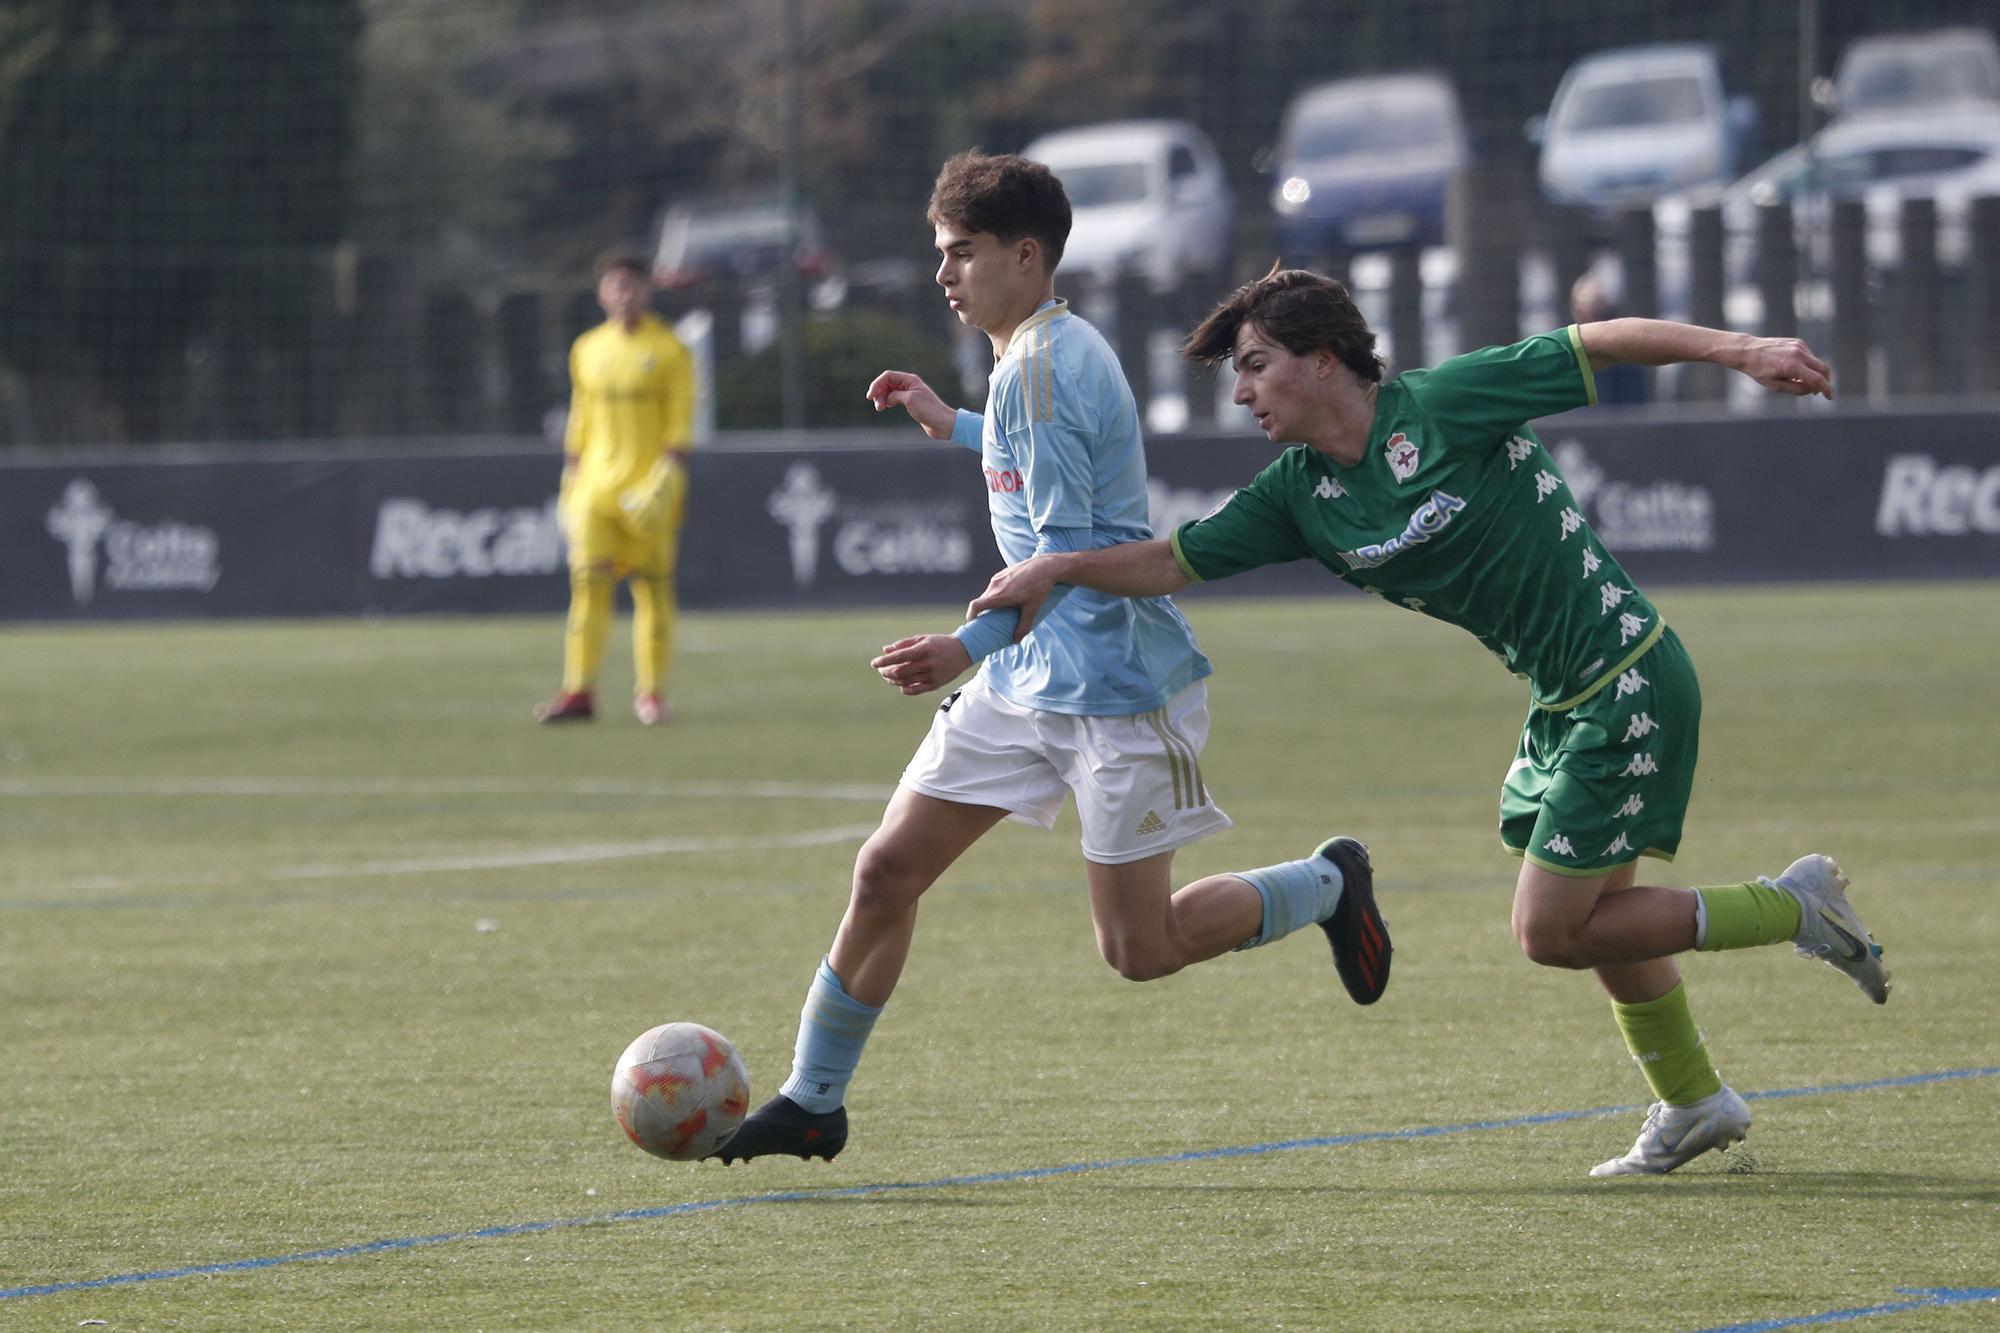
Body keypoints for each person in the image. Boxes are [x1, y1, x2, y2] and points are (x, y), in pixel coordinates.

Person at [969, 267, 1890, 1177]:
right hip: (1564, 702)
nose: (1241, 392)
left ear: (1325, 361)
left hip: (1627, 678)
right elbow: (1172, 560)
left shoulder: (1445, 404)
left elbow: (1597, 345)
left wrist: (1746, 349)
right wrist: (1058, 570)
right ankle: (1694, 1099)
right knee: (1605, 918)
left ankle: (1794, 907)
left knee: (1552, 930)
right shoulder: (1298, 494)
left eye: (1255, 365)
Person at [713, 156, 1391, 1164]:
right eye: (939, 254)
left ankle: (1325, 885)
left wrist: (960, 645)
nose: (944, 275)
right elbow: (1034, 470)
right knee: (886, 870)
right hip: (1027, 681)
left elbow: (1060, 563)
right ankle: (814, 1097)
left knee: (1138, 948)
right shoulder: (1041, 355)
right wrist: (953, 423)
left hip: (1115, 687)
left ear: (1023, 255)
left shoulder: (1040, 365)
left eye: (961, 254)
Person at [534, 250, 695, 726]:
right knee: (588, 589)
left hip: (648, 495)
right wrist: (570, 484)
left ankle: (651, 695)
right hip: (596, 494)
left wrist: (666, 480)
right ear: (603, 292)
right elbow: (580, 421)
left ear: (647, 291)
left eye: (634, 285)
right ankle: (578, 691)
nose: (626, 294)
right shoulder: (586, 348)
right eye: (617, 285)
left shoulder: (669, 350)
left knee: (652, 591)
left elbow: (681, 426)